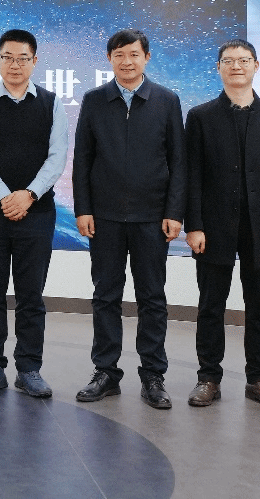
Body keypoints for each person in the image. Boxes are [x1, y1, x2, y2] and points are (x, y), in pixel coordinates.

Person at [73, 28, 186, 409]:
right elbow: (83, 159)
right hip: (104, 217)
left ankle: (153, 375)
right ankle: (105, 371)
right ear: (110, 59)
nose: (127, 61)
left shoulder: (166, 101)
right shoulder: (94, 100)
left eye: (134, 54)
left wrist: (174, 212)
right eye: (119, 54)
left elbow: (179, 161)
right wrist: (83, 209)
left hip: (152, 218)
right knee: (105, 295)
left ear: (146, 58)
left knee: (152, 297)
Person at [184, 39, 260, 410]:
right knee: (210, 305)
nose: (236, 66)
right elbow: (192, 175)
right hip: (213, 226)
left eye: (244, 60)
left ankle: (259, 379)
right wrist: (194, 225)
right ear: (218, 67)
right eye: (228, 60)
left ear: (256, 66)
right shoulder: (200, 116)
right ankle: (208, 377)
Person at [0, 29, 67, 399]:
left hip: (36, 214)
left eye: (23, 58)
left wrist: (29, 195)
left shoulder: (51, 104)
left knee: (31, 295)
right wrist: (6, 197)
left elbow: (57, 156)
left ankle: (29, 368)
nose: (15, 65)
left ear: (34, 62)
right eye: (8, 57)